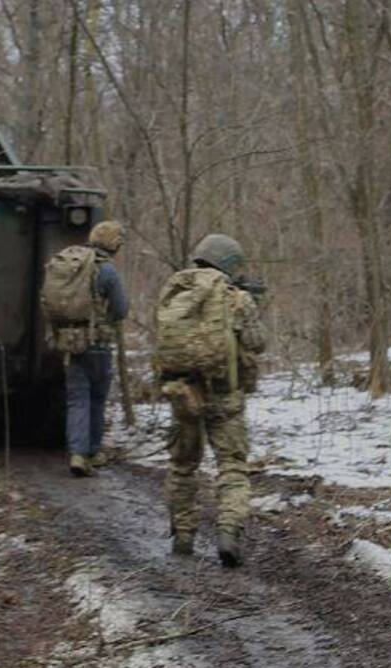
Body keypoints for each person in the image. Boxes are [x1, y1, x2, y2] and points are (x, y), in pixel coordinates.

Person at [152, 233, 266, 567]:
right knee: (231, 467)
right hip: (224, 396)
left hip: (183, 393)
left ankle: (183, 536)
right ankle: (228, 533)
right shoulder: (235, 298)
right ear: (229, 263)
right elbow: (257, 342)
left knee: (183, 465)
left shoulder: (176, 291)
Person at [41, 220, 130, 476]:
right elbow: (121, 308)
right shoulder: (107, 271)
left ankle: (77, 454)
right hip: (98, 343)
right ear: (113, 243)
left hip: (70, 342)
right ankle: (92, 451)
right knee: (97, 398)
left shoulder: (73, 264)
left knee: (77, 398)